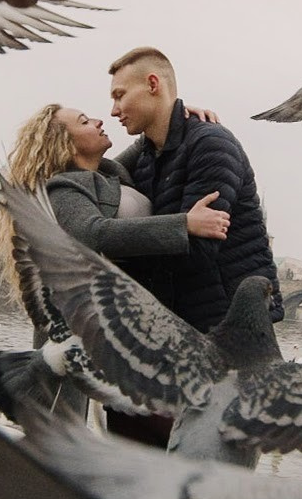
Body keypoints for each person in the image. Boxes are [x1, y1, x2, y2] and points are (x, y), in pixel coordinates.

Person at [0, 101, 230, 446]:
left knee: (72, 439)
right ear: (65, 145)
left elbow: (150, 136)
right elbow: (93, 232)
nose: (99, 120)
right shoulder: (62, 189)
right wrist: (185, 224)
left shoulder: (107, 173)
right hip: (70, 330)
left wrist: (175, 111)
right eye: (84, 121)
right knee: (57, 438)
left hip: (102, 328)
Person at [108, 46, 281, 332]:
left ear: (153, 84)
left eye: (120, 95)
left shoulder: (211, 144)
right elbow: (97, 176)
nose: (114, 110)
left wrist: (109, 256)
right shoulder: (147, 155)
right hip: (182, 321)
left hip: (230, 326)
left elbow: (195, 250)